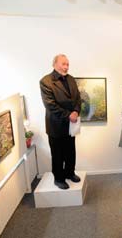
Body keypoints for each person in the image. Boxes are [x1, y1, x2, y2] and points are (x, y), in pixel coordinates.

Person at [40, 54, 81, 190]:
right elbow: (50, 105)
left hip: (71, 125)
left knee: (71, 151)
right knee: (58, 154)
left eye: (67, 64)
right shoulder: (46, 81)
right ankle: (58, 178)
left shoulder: (71, 79)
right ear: (54, 64)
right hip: (56, 126)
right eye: (63, 64)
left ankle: (70, 173)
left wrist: (76, 111)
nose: (66, 67)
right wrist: (69, 115)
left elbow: (77, 99)